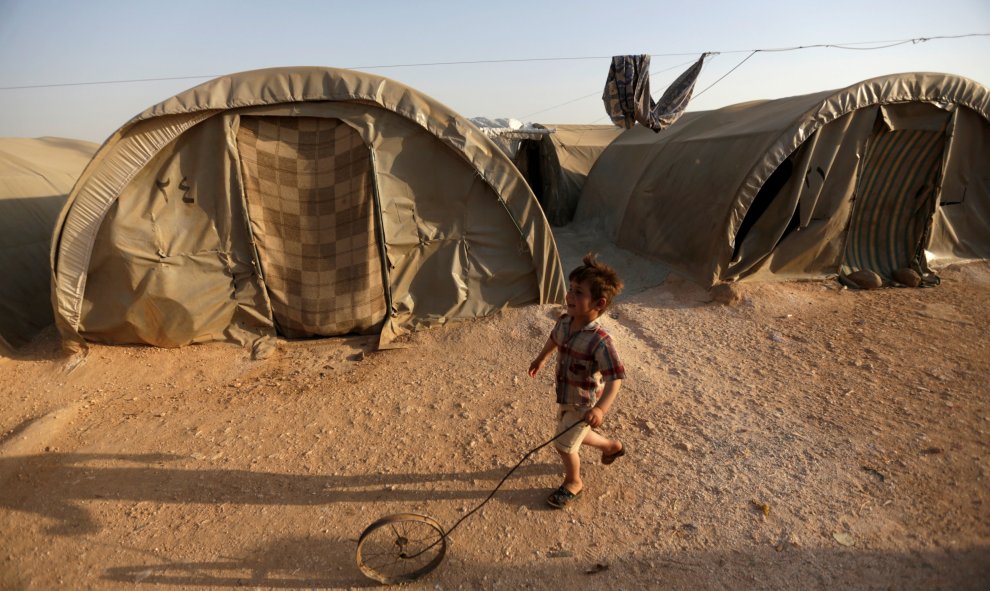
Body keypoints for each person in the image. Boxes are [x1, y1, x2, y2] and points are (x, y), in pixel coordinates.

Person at [528, 253, 626, 509]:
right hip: (565, 394)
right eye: (570, 289)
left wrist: (600, 409)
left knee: (564, 445)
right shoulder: (565, 322)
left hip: (584, 402)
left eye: (578, 292)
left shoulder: (600, 340)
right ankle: (611, 446)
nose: (570, 296)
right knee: (576, 434)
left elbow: (615, 377)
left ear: (599, 302)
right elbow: (554, 338)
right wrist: (541, 359)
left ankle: (574, 482)